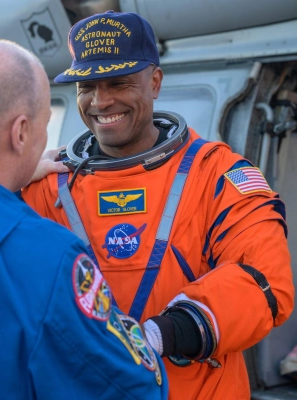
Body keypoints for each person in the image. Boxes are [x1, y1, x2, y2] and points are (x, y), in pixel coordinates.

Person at [22, 11, 295, 400]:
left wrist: (160, 335)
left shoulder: (216, 175)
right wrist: (2, 182)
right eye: (87, 86)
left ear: (154, 82)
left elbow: (264, 280)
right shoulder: (47, 184)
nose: (101, 101)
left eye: (118, 82)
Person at [0, 39, 168, 400]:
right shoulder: (42, 254)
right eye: (43, 127)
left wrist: (2, 181)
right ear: (21, 132)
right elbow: (133, 386)